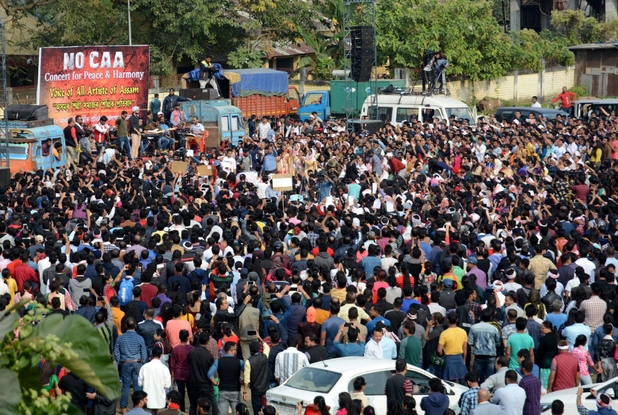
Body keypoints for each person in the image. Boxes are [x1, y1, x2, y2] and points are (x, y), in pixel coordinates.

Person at [114, 317, 148, 413]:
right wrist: (143, 362)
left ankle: (123, 407)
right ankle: (138, 406)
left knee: (125, 385)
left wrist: (120, 361)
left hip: (125, 363)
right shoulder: (140, 338)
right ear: (135, 326)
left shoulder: (120, 338)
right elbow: (144, 352)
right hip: (137, 362)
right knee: (137, 386)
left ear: (125, 325)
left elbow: (116, 351)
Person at [208, 341, 244, 415]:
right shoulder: (239, 362)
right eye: (236, 349)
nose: (236, 351)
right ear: (232, 350)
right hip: (235, 391)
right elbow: (247, 373)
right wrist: (242, 381)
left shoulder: (218, 361)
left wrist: (215, 383)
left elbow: (209, 374)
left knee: (222, 413)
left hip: (223, 390)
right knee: (237, 412)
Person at [188, 332, 218, 415]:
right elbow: (211, 370)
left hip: (194, 383)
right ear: (207, 342)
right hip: (205, 384)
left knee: (193, 405)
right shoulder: (209, 356)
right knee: (211, 402)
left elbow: (189, 364)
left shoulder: (192, 353)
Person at [138, 346, 172, 413]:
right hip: (160, 401)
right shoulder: (165, 368)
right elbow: (167, 385)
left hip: (147, 400)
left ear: (151, 354)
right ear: (161, 355)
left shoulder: (144, 367)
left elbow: (140, 383)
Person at [437, 311, 468, 383]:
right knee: (462, 381)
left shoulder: (444, 333)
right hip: (460, 358)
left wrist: (442, 355)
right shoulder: (463, 332)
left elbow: (439, 350)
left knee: (449, 382)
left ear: (447, 320)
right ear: (457, 320)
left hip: (448, 359)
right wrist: (464, 359)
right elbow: (465, 348)